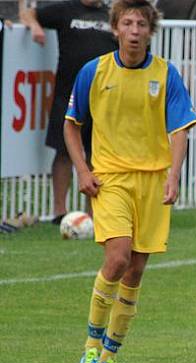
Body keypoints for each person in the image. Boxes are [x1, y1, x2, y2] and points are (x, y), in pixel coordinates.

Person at [64, 0, 196, 363]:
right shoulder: (95, 71)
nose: (135, 30)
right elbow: (72, 125)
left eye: (141, 23)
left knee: (136, 271)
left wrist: (173, 176)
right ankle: (90, 349)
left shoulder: (166, 74)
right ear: (115, 29)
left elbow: (179, 130)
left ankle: (110, 353)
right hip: (111, 179)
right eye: (128, 23)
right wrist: (83, 170)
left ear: (150, 31)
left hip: (152, 181)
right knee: (118, 258)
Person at [17, 0, 116, 224]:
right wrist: (35, 27)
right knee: (63, 152)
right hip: (68, 92)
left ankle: (92, 214)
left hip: (104, 96)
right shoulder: (64, 9)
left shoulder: (111, 14)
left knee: (97, 155)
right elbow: (28, 13)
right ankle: (60, 211)